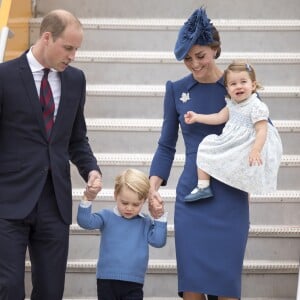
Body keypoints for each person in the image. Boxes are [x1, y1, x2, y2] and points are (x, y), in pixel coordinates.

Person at [148, 7, 254, 300]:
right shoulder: (176, 90)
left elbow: (263, 132)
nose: (194, 64)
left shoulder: (239, 87)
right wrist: (153, 185)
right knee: (192, 292)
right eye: (187, 58)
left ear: (216, 49)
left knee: (227, 291)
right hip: (192, 199)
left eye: (201, 55)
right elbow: (166, 145)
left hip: (231, 196)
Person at [0, 9, 102, 300]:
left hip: (54, 204)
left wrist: (90, 170)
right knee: (8, 288)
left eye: (77, 49)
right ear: (47, 37)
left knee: (51, 291)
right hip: (8, 203)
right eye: (68, 47)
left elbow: (76, 138)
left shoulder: (75, 80)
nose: (73, 56)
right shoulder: (4, 77)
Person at [184, 61, 283, 202]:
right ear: (228, 88)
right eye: (233, 84)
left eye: (243, 82)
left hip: (249, 144)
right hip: (233, 141)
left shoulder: (256, 106)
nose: (239, 86)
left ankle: (244, 194)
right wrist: (197, 117)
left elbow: (262, 130)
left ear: (253, 85)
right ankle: (203, 186)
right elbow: (218, 117)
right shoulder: (232, 104)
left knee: (245, 166)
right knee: (207, 145)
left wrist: (256, 150)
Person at [77, 168, 167, 300]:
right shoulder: (106, 216)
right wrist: (88, 198)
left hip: (134, 282)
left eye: (136, 204)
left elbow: (158, 241)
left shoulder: (145, 221)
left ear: (144, 201)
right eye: (124, 203)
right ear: (115, 196)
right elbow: (85, 222)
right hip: (107, 280)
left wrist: (159, 217)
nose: (129, 208)